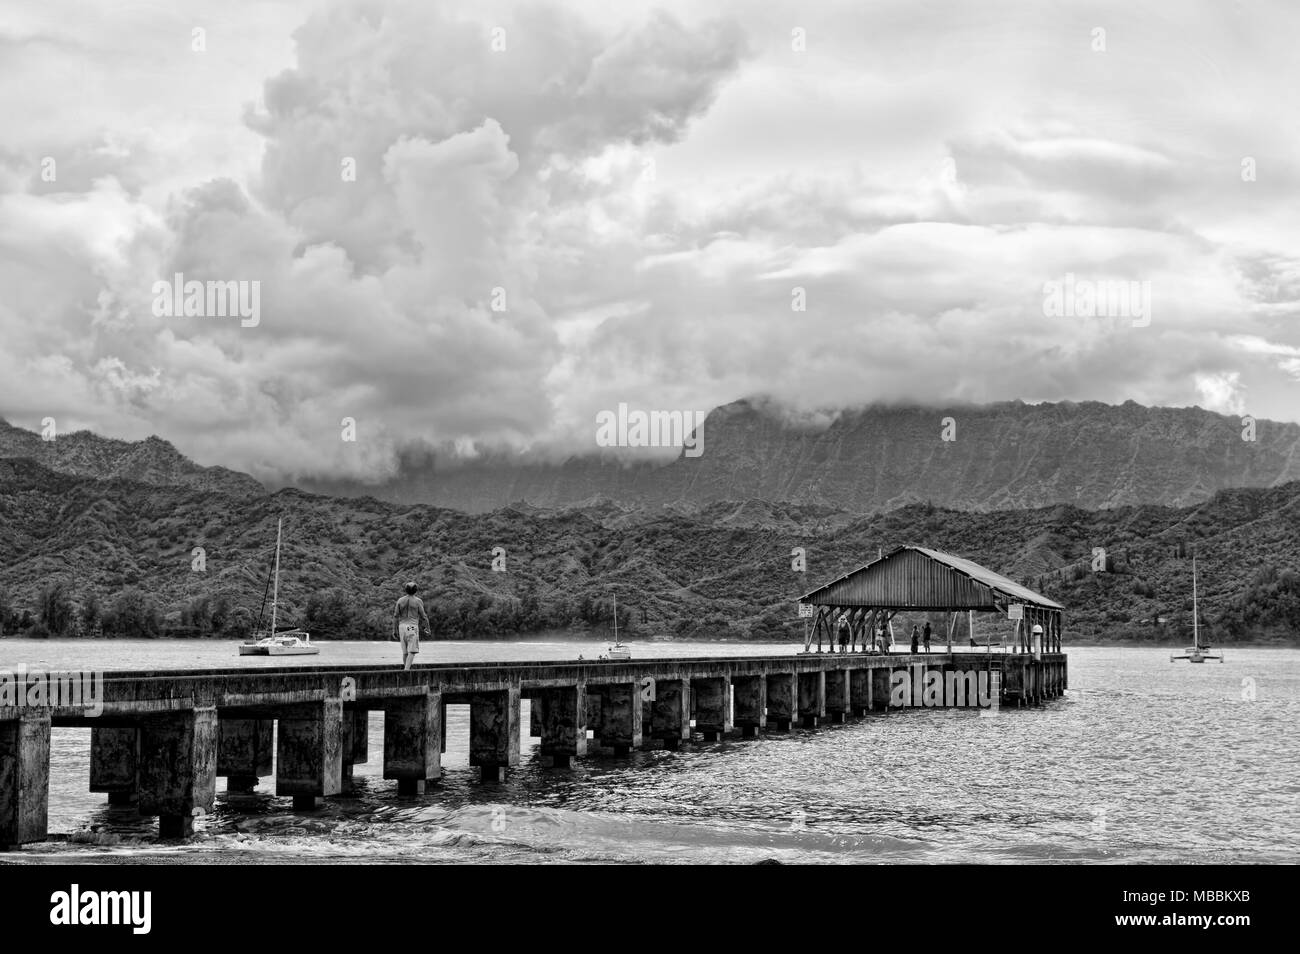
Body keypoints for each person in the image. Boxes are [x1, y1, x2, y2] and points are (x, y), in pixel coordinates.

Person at [392, 581, 430, 670]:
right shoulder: (418, 601)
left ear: (406, 590)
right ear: (416, 590)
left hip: (401, 627)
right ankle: (406, 671)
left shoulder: (400, 601)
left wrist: (394, 630)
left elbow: (395, 616)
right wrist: (427, 628)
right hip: (412, 626)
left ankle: (406, 669)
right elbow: (424, 616)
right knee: (412, 651)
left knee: (405, 652)